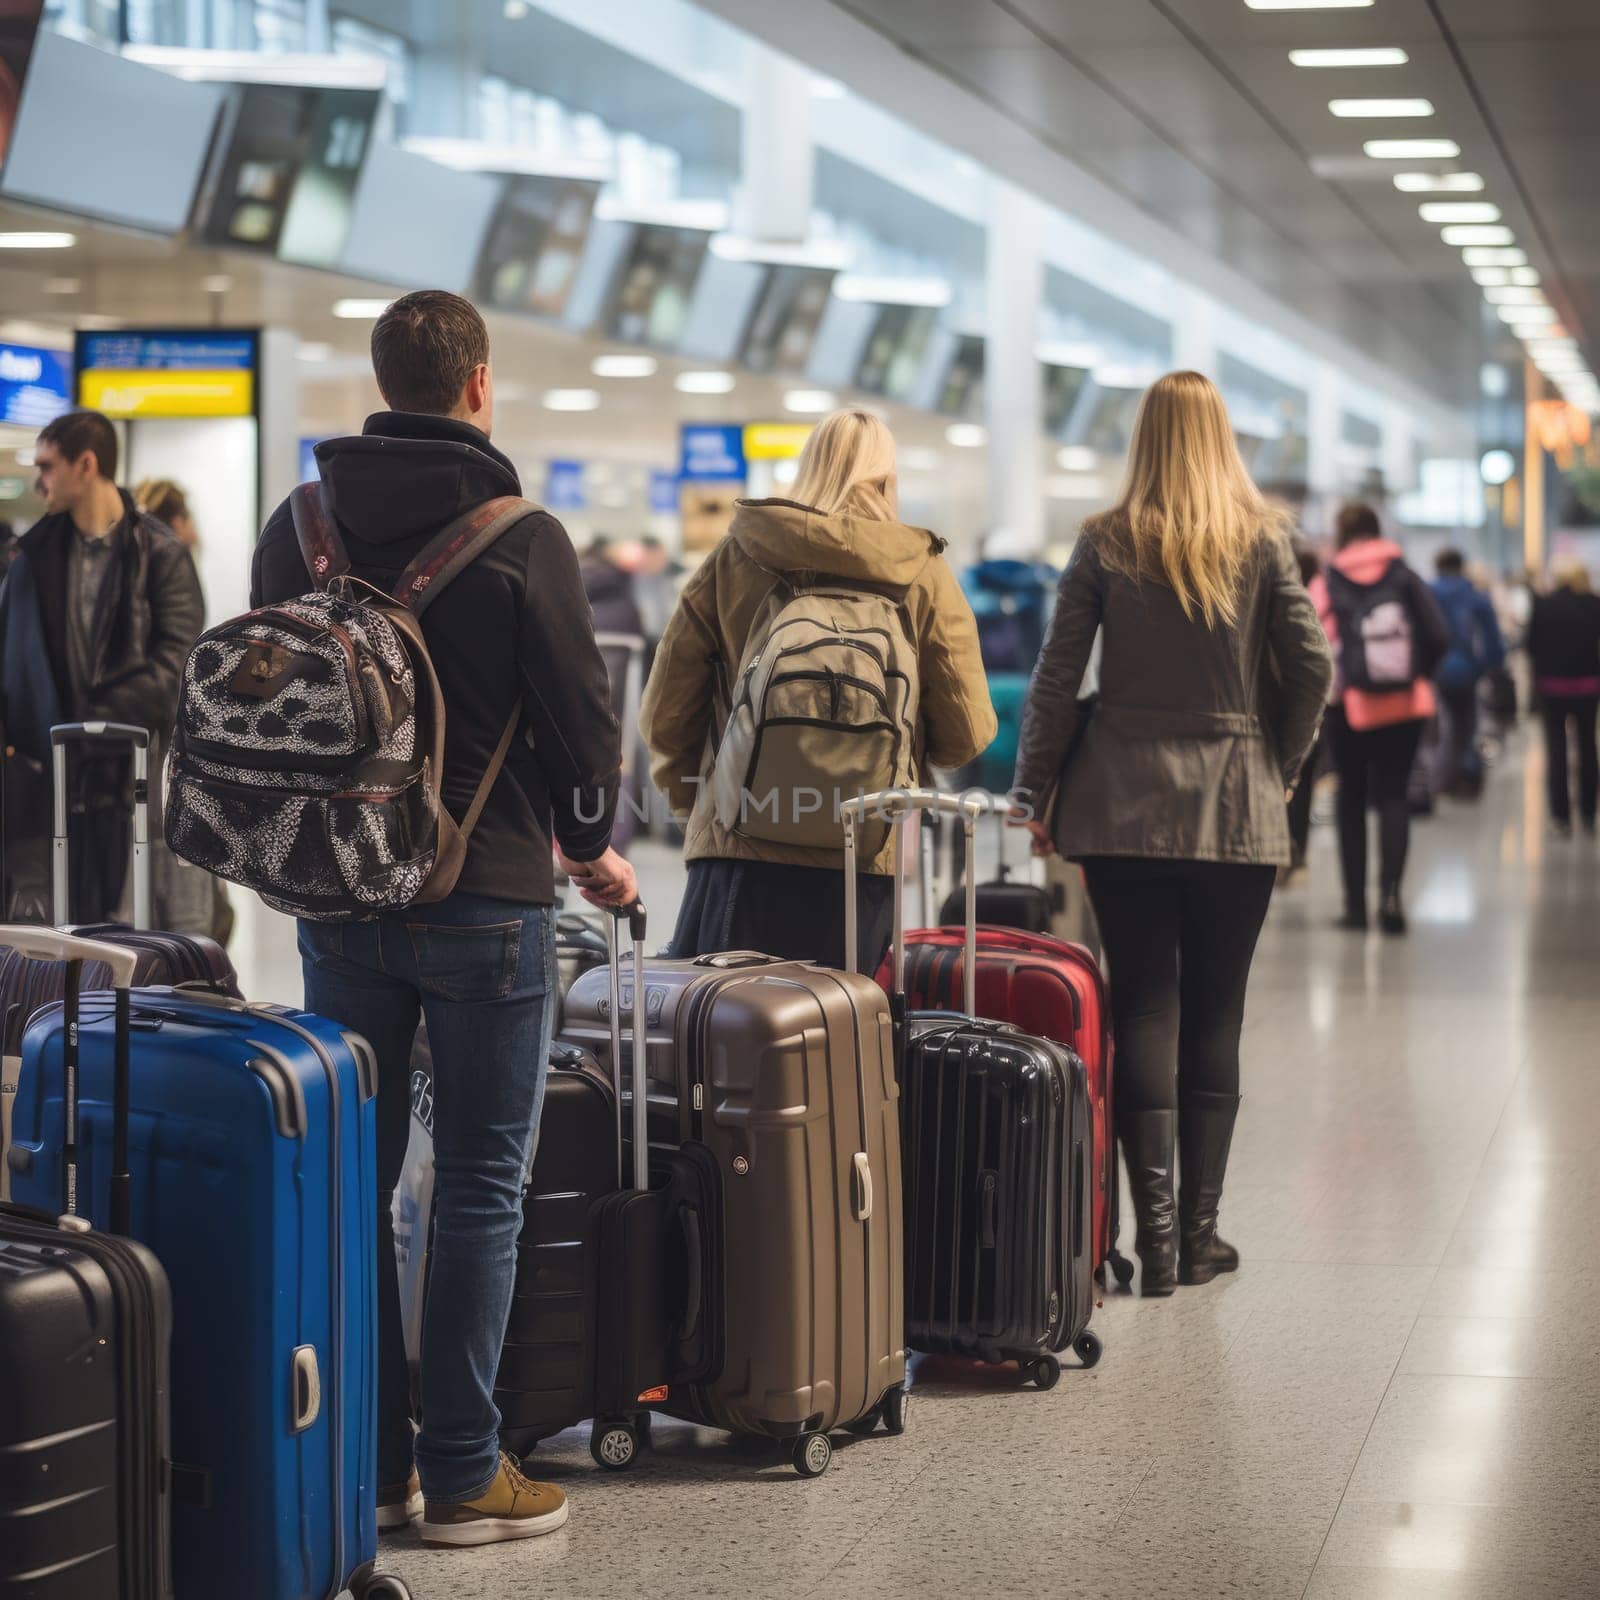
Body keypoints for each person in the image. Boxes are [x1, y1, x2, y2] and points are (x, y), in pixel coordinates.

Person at [250, 289, 635, 1548]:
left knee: (353, 1186)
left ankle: (368, 1465)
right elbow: (583, 728)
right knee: (477, 1183)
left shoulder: (298, 524)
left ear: (381, 379)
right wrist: (591, 848)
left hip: (338, 900)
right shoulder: (521, 536)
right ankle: (466, 1470)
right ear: (476, 385)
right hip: (491, 894)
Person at [1011, 371, 1332, 1299]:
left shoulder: (1106, 542)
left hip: (1119, 804)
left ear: (1145, 439)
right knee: (1217, 1012)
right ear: (1223, 438)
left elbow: (1055, 675)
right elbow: (1309, 666)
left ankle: (1150, 1244)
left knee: (1143, 1004)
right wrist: (1280, 761)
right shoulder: (1265, 538)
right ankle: (1199, 1238)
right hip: (1236, 804)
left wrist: (1033, 792)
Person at [641, 407, 995, 971]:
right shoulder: (922, 573)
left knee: (720, 1037)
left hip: (738, 845)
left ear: (809, 467)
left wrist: (704, 804)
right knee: (835, 1043)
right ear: (886, 478)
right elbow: (968, 733)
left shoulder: (739, 553)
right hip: (860, 856)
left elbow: (664, 712)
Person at [0, 409, 202, 921]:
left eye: (48, 466)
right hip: (47, 778)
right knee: (51, 933)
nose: (39, 479)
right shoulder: (30, 559)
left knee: (129, 930)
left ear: (85, 465)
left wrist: (90, 716)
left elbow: (178, 666)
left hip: (130, 776)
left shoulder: (158, 553)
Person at [1310, 504, 1449, 936]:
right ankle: (1391, 899)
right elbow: (1440, 635)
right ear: (1377, 531)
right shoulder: (1404, 575)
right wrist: (1416, 675)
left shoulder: (1328, 579)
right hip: (1405, 705)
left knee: (1351, 800)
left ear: (1342, 533)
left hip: (1348, 707)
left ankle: (1355, 907)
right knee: (1393, 796)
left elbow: (1310, 640)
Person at [1527, 557, 1600, 835]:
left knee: (1556, 749)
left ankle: (1560, 816)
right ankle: (1589, 813)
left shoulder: (1544, 605)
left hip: (1552, 687)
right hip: (1588, 686)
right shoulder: (1595, 604)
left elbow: (1531, 647)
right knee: (1588, 747)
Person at [1429, 547, 1504, 799]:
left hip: (1436, 669)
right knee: (1468, 722)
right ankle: (1468, 772)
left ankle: (1444, 778)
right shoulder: (1474, 595)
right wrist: (1490, 665)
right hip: (1468, 669)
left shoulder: (1428, 592)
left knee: (1444, 725)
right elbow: (1491, 636)